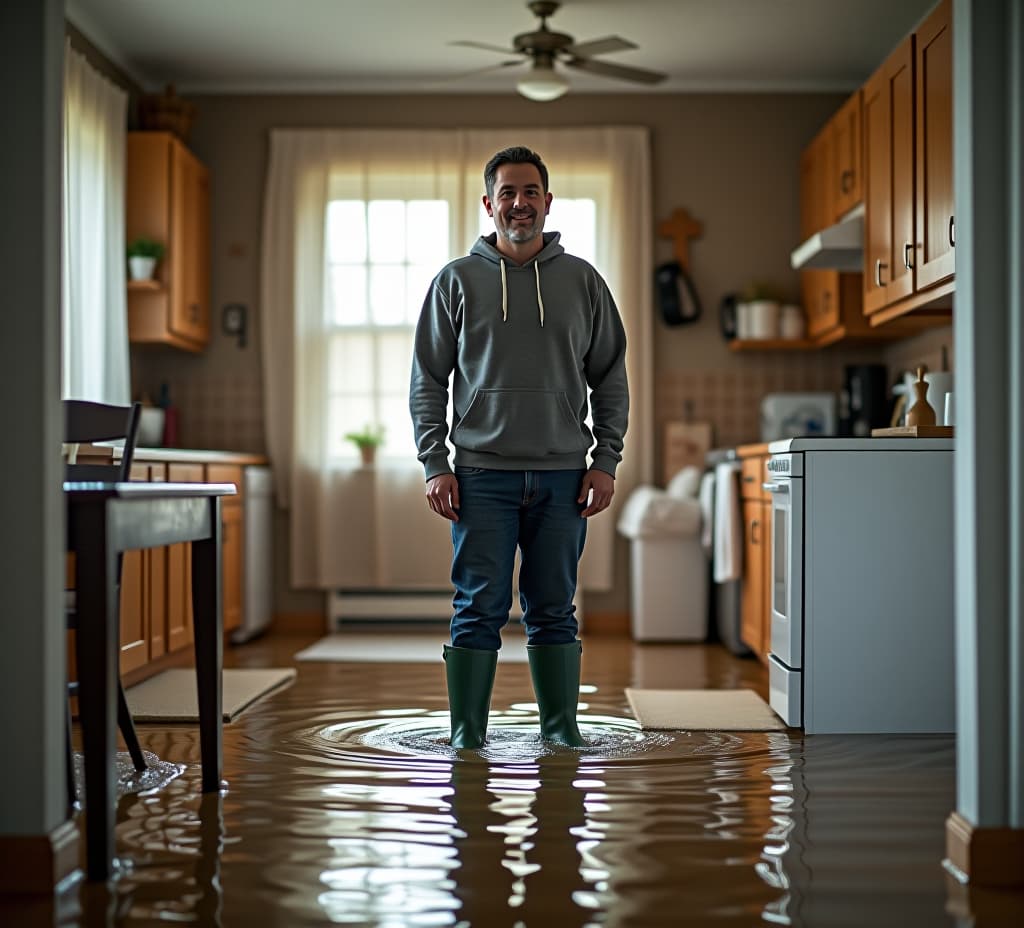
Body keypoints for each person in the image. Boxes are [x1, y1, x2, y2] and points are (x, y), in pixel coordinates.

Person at [409, 146, 629, 748]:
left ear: (548, 202)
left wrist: (604, 461)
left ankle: (561, 734)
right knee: (478, 608)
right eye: (507, 192)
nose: (519, 202)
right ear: (488, 204)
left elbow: (610, 375)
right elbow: (428, 378)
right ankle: (466, 739)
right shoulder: (455, 281)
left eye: (530, 191)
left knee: (554, 607)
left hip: (564, 477)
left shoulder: (583, 281)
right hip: (480, 476)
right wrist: (435, 463)